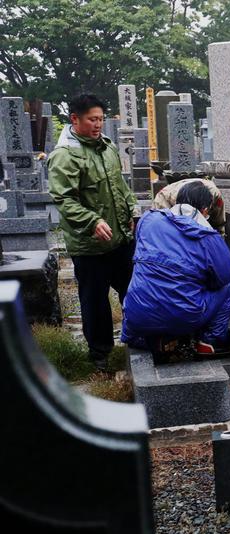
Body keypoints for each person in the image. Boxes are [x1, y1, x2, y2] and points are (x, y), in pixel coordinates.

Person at [48, 93, 137, 371]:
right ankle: (100, 355)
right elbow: (64, 199)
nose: (98, 124)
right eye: (92, 119)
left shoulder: (107, 147)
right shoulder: (64, 156)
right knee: (95, 301)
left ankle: (138, 339)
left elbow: (120, 186)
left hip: (120, 238)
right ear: (75, 119)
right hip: (89, 245)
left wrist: (133, 210)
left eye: (100, 119)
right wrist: (92, 221)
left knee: (134, 290)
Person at [120, 181, 230, 357]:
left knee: (143, 279)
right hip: (184, 317)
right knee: (229, 286)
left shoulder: (148, 220)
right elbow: (224, 276)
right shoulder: (209, 237)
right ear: (205, 210)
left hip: (137, 314)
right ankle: (210, 340)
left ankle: (144, 339)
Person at [153, 178, 227, 231]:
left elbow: (219, 224)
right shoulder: (165, 201)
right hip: (168, 199)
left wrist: (219, 239)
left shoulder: (215, 196)